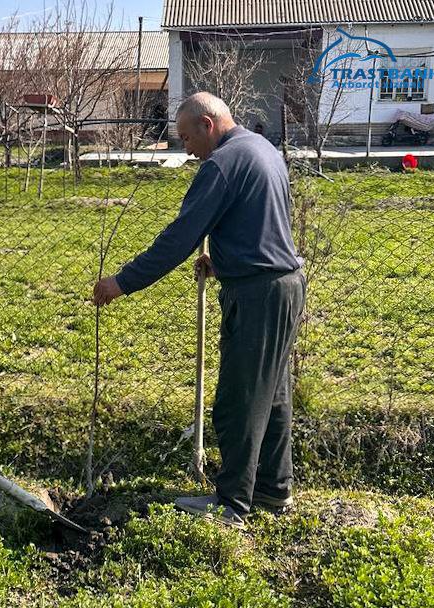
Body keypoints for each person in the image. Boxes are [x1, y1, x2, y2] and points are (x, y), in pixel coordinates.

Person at [93, 92, 306, 529]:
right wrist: (225, 259)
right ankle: (273, 488)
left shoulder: (221, 165)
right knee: (273, 395)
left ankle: (232, 504)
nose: (186, 148)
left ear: (208, 125)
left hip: (257, 294)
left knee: (238, 402)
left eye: (188, 137)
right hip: (283, 284)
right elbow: (263, 219)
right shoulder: (261, 147)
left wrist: (121, 283)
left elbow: (179, 238)